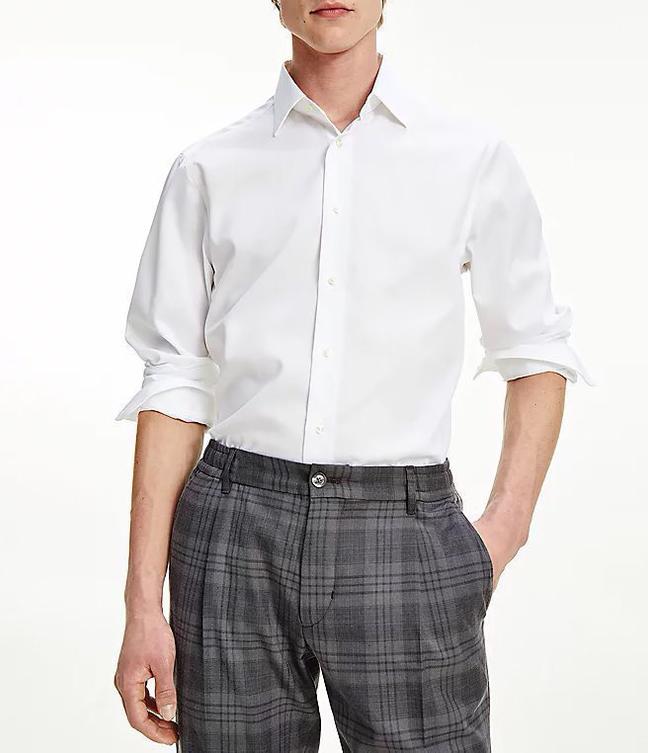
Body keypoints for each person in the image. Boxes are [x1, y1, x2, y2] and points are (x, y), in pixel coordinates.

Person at [113, 1, 593, 750]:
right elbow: (175, 378)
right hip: (236, 529)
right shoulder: (209, 168)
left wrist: (504, 530)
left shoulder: (469, 158)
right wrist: (143, 604)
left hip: (404, 532)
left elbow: (534, 347)